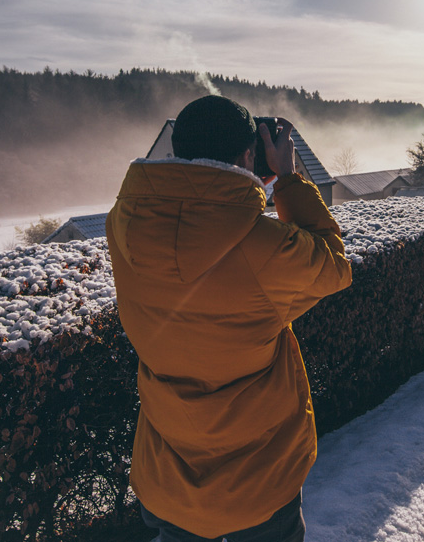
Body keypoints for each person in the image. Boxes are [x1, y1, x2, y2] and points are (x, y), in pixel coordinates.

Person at [105, 95, 352, 542]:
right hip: (258, 483)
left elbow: (193, 217)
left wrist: (233, 181)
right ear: (248, 156)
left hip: (167, 475)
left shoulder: (123, 226)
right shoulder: (265, 248)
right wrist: (287, 180)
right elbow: (335, 266)